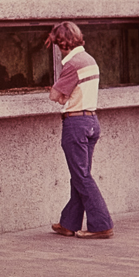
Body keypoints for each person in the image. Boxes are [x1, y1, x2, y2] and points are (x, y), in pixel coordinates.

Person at [46, 22, 114, 239]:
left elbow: (55, 96)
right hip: (92, 121)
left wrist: (59, 93)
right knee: (80, 175)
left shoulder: (72, 64)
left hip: (75, 124)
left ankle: (102, 224)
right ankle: (68, 223)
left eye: (57, 44)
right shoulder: (89, 60)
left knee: (81, 176)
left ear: (61, 43)